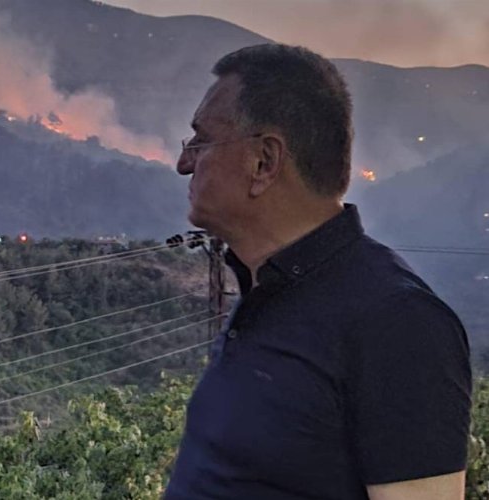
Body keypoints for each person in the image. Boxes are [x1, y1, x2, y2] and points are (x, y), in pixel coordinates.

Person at [164, 44, 472, 500]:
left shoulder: (396, 322)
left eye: (201, 140)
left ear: (264, 162)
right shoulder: (265, 289)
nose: (183, 162)